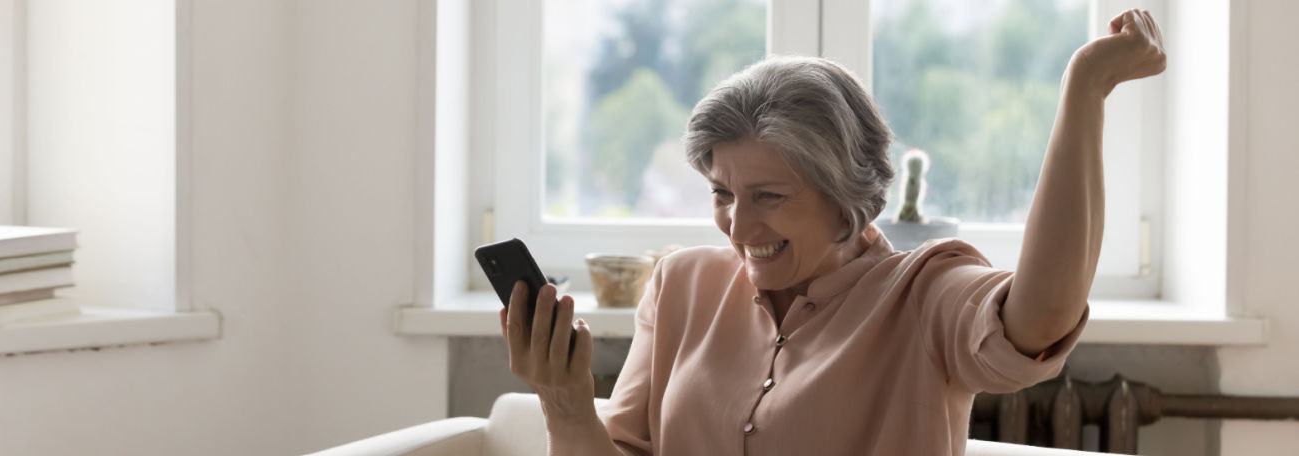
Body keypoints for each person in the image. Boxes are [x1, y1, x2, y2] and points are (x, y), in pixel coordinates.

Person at [498, 8, 1166, 456]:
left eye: (769, 196)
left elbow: (1043, 316)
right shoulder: (681, 287)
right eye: (722, 194)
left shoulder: (924, 293)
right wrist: (564, 400)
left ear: (845, 192)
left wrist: (1088, 88)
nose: (739, 225)